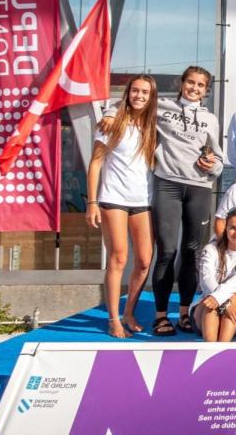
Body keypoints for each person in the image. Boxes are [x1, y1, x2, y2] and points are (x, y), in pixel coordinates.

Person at [101, 65, 224, 336]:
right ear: (182, 84)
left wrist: (212, 165)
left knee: (193, 252)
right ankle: (160, 315)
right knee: (167, 252)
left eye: (200, 85)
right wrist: (110, 113)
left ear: (207, 90)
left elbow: (219, 157)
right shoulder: (163, 107)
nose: (194, 88)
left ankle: (183, 312)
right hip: (167, 184)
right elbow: (132, 106)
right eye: (190, 82)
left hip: (199, 188)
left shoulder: (210, 119)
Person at [86, 74, 158, 338]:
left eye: (145, 92)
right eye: (135, 91)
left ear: (151, 98)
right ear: (127, 93)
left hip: (143, 201)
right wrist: (92, 202)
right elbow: (95, 164)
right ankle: (113, 319)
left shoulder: (151, 127)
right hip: (113, 199)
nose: (139, 96)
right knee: (119, 258)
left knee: (143, 261)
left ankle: (129, 312)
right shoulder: (111, 123)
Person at [191, 207, 236, 342]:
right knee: (211, 303)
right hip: (206, 311)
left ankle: (223, 350)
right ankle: (210, 351)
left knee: (234, 296)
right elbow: (206, 280)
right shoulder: (211, 249)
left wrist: (224, 301)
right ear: (225, 228)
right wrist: (224, 304)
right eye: (232, 228)